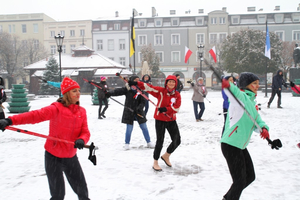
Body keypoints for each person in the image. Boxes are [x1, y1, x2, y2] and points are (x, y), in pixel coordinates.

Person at [0, 77, 91, 200]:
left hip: (70, 157)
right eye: (74, 91)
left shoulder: (81, 111)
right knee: (58, 195)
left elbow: (85, 132)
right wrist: (10, 120)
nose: (78, 93)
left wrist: (82, 140)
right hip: (53, 157)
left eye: (78, 90)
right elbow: (33, 116)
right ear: (66, 93)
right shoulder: (56, 108)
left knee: (83, 193)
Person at [221, 72, 270, 200]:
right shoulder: (241, 98)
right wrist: (229, 86)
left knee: (250, 177)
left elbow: (258, 121)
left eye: (258, 83)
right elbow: (235, 93)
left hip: (240, 145)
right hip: (231, 144)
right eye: (254, 83)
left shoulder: (251, 103)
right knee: (240, 181)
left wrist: (264, 128)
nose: (257, 86)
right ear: (246, 85)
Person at [133, 75, 181, 171]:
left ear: (175, 83)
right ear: (166, 83)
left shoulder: (177, 95)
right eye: (169, 81)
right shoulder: (161, 91)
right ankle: (155, 161)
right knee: (160, 141)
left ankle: (166, 155)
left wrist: (166, 109)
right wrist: (136, 83)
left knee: (177, 140)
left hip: (171, 119)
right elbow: (149, 87)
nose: (171, 83)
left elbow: (177, 107)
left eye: (173, 82)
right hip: (160, 119)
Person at [105, 75, 155, 150]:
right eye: (135, 80)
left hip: (139, 111)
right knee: (129, 128)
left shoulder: (141, 89)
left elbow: (143, 101)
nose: (137, 81)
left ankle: (149, 142)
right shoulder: (127, 89)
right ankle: (127, 143)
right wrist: (110, 93)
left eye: (138, 80)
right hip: (129, 111)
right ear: (132, 80)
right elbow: (118, 91)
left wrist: (139, 108)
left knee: (144, 127)